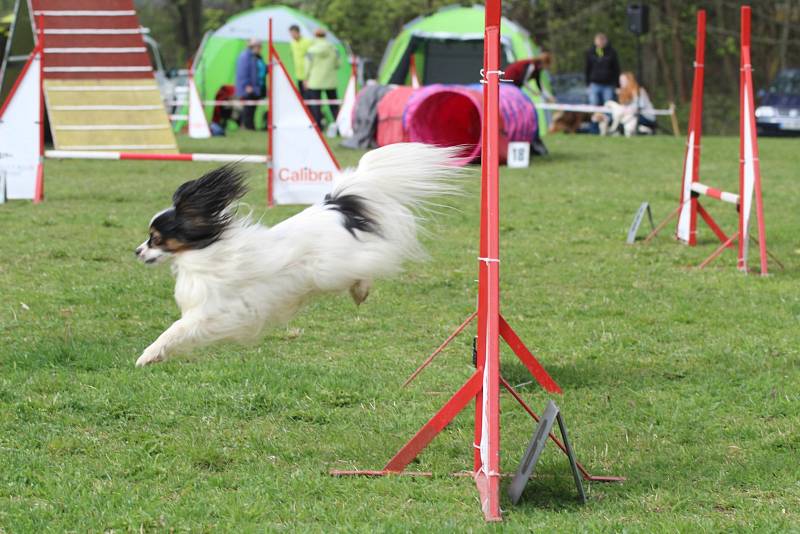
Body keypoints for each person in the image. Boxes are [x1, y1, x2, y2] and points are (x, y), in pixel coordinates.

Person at [585, 33, 620, 133]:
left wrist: (617, 85)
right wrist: (588, 84)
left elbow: (616, 69)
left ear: (605, 41)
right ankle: (594, 129)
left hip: (608, 85)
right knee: (594, 106)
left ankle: (608, 129)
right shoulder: (590, 52)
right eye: (598, 40)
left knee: (608, 108)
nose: (600, 42)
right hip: (594, 84)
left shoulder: (612, 52)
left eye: (602, 40)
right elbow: (587, 69)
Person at [305, 27, 340, 129]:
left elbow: (307, 66)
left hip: (315, 81)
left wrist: (305, 78)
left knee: (316, 105)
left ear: (315, 36)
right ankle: (338, 126)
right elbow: (338, 65)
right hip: (331, 81)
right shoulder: (334, 49)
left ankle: (317, 126)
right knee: (334, 105)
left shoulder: (311, 50)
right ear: (326, 36)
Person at [605, 71, 657, 136]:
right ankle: (616, 130)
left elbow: (640, 106)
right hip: (634, 116)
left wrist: (627, 110)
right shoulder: (624, 92)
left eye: (623, 80)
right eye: (620, 80)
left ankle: (615, 130)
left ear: (629, 80)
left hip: (645, 117)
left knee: (624, 118)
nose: (621, 82)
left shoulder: (638, 90)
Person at [235, 39, 264, 130]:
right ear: (253, 46)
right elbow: (242, 72)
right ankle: (246, 126)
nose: (260, 48)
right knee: (248, 108)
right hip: (248, 87)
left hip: (255, 87)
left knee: (252, 109)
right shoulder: (245, 56)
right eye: (258, 46)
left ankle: (250, 126)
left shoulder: (256, 57)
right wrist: (246, 85)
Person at [289, 24, 312, 95]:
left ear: (298, 32)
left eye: (293, 33)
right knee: (302, 97)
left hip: (308, 75)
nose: (292, 35)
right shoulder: (292, 43)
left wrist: (307, 77)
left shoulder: (307, 42)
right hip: (299, 75)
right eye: (291, 34)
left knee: (310, 97)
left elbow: (311, 58)